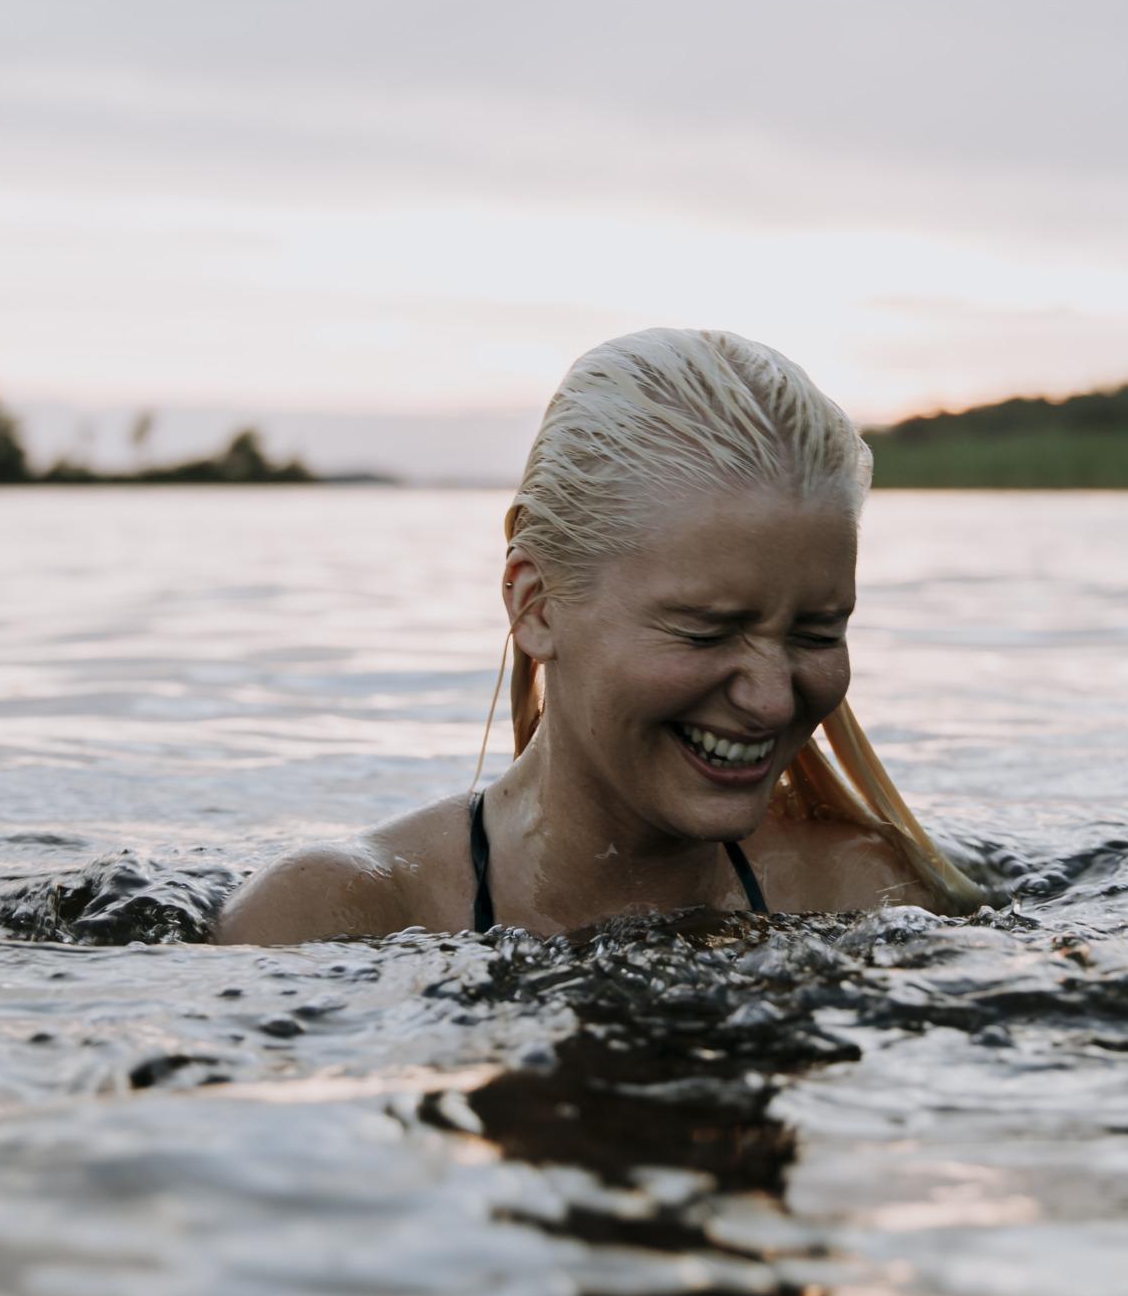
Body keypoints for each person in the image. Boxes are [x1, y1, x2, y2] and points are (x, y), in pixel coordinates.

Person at [214, 328, 984, 944]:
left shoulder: (870, 894)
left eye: (817, 632)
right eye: (708, 631)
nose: (773, 697)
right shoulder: (334, 919)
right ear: (537, 604)